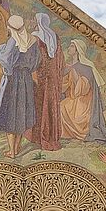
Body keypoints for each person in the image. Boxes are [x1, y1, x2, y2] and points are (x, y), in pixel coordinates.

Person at [60, 39, 106, 145]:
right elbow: (65, 86)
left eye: (72, 46)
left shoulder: (86, 68)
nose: (69, 48)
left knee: (62, 107)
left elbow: (82, 89)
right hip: (74, 98)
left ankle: (78, 132)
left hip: (84, 102)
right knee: (61, 105)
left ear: (77, 50)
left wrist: (74, 73)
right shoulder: (69, 67)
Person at [0, 17, 39, 158]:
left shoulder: (13, 41)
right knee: (21, 115)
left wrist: (1, 50)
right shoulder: (32, 41)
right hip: (26, 80)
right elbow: (36, 62)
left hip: (13, 80)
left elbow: (4, 59)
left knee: (11, 115)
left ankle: (12, 151)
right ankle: (16, 148)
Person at [29, 10, 64, 152]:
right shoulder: (54, 37)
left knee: (39, 104)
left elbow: (32, 59)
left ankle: (39, 136)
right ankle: (51, 136)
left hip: (40, 77)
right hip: (53, 78)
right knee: (50, 105)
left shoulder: (36, 37)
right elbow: (60, 60)